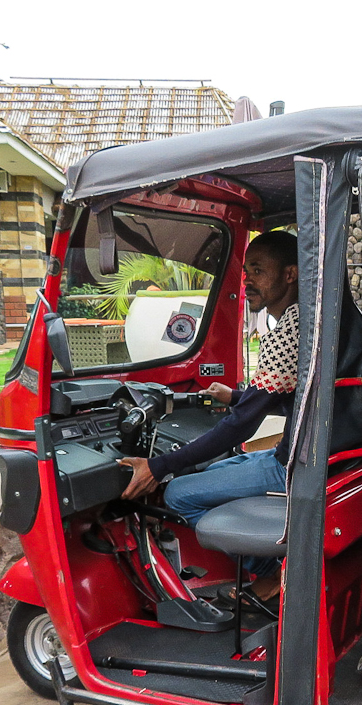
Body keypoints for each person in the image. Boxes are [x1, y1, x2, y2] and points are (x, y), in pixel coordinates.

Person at [119, 230, 299, 602]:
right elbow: (291, 396)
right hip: (298, 452)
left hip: (291, 465)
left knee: (180, 493)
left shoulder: (289, 331)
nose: (248, 280)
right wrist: (235, 395)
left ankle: (269, 576)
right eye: (246, 270)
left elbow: (241, 425)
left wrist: (159, 466)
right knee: (213, 472)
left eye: (259, 270)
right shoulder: (306, 322)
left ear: (290, 274)